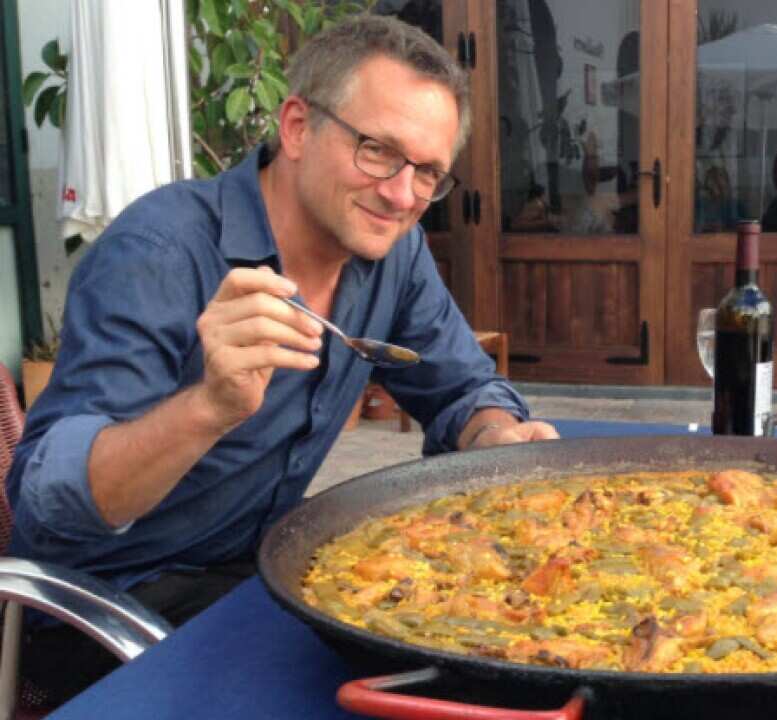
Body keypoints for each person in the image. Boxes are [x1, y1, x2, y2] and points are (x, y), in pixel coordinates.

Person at [6, 15, 558, 703]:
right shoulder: (160, 251)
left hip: (261, 582)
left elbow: (459, 386)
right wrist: (206, 407)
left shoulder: (392, 252)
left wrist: (496, 433)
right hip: (115, 609)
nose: (401, 194)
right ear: (297, 126)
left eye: (428, 173)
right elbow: (44, 504)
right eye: (377, 151)